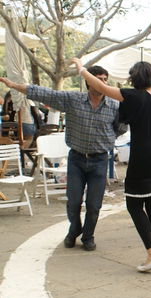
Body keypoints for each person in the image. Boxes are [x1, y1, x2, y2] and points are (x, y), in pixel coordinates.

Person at [72, 58, 151, 272]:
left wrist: (82, 69)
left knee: (134, 205)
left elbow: (100, 86)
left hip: (143, 157)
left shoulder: (133, 96)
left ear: (135, 78)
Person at [0, 67, 124, 252]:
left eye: (106, 79)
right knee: (73, 201)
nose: (103, 82)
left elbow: (121, 127)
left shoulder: (114, 106)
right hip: (77, 159)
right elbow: (46, 94)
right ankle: (74, 230)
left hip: (99, 160)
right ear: (89, 81)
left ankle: (88, 236)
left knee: (94, 204)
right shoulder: (73, 100)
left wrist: (106, 139)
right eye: (99, 79)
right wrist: (15, 86)